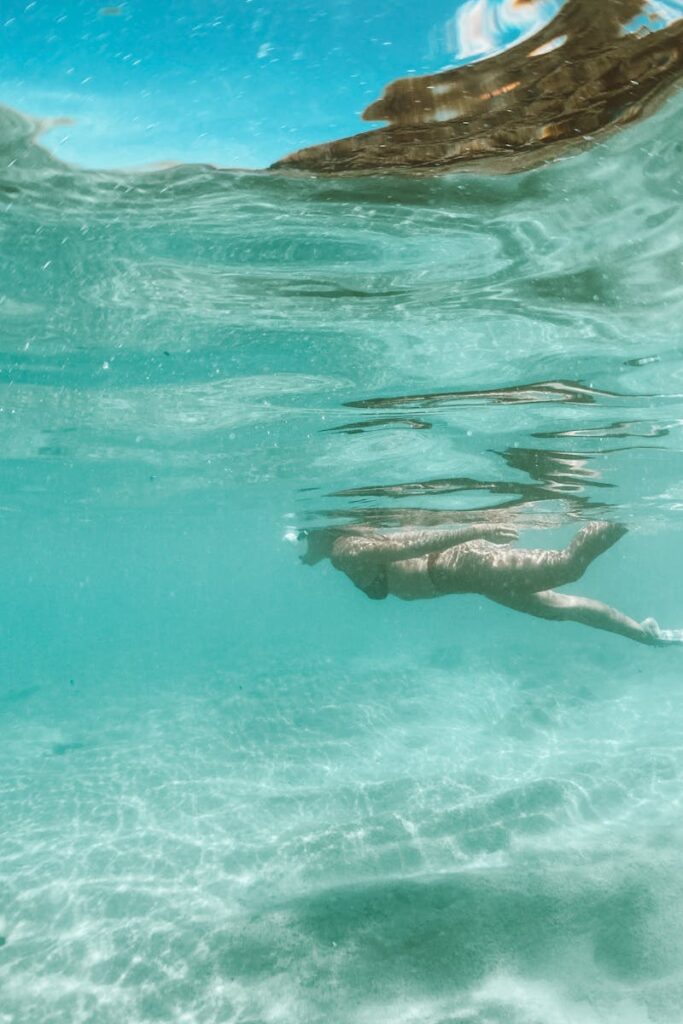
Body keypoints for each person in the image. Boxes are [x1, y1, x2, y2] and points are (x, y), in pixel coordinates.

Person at [295, 521, 683, 646]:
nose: (297, 546)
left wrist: (476, 529)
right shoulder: (340, 551)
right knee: (557, 610)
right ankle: (646, 634)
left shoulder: (345, 549)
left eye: (300, 536)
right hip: (470, 577)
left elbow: (408, 545)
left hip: (465, 566)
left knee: (568, 567)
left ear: (318, 533)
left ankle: (616, 519)